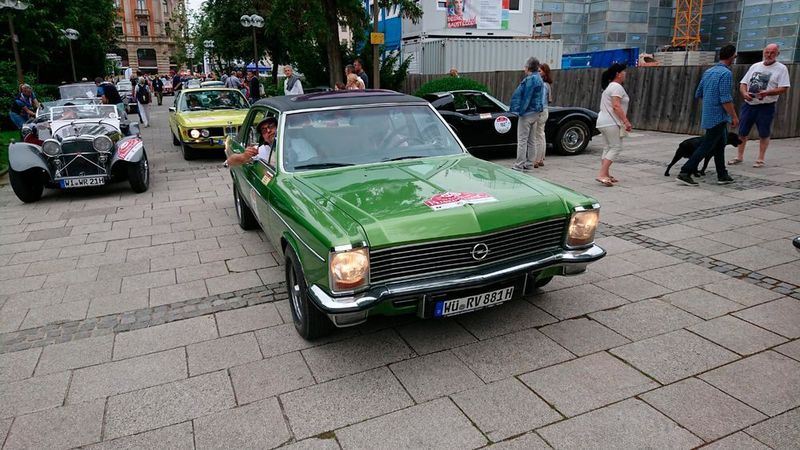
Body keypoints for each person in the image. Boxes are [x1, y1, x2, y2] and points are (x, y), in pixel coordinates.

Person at [677, 44, 738, 186]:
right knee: (707, 145)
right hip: (718, 117)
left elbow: (699, 92)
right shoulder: (726, 74)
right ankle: (685, 171)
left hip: (709, 114)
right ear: (732, 56)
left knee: (720, 144)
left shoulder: (709, 72)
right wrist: (734, 116)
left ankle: (722, 174)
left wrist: (710, 103)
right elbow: (725, 99)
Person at [729, 43, 791, 168]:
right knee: (742, 131)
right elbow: (743, 83)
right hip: (749, 104)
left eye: (772, 52)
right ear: (763, 52)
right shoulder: (755, 66)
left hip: (766, 106)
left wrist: (767, 92)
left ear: (777, 54)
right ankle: (739, 156)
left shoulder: (781, 68)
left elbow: (784, 88)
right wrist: (744, 93)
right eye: (767, 52)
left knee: (764, 132)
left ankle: (760, 159)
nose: (769, 55)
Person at [595, 63, 631, 186]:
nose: (625, 74)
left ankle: (606, 174)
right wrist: (625, 121)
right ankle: (601, 174)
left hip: (602, 121)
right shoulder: (616, 87)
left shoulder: (609, 87)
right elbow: (616, 106)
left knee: (608, 147)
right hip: (611, 122)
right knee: (616, 147)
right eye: (624, 72)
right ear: (618, 74)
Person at [509, 57, 544, 171]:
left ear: (528, 67)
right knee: (531, 140)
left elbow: (526, 97)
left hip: (527, 113)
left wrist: (521, 111)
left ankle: (519, 165)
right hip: (536, 112)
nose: (524, 68)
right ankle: (529, 164)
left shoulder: (530, 79)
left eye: (525, 66)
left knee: (522, 140)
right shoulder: (539, 78)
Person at [532, 63, 553, 168]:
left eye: (540, 71)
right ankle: (540, 159)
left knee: (537, 135)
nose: (538, 73)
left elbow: (540, 100)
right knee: (541, 134)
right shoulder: (547, 84)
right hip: (544, 110)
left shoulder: (542, 85)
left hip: (540, 111)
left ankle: (536, 159)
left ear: (544, 72)